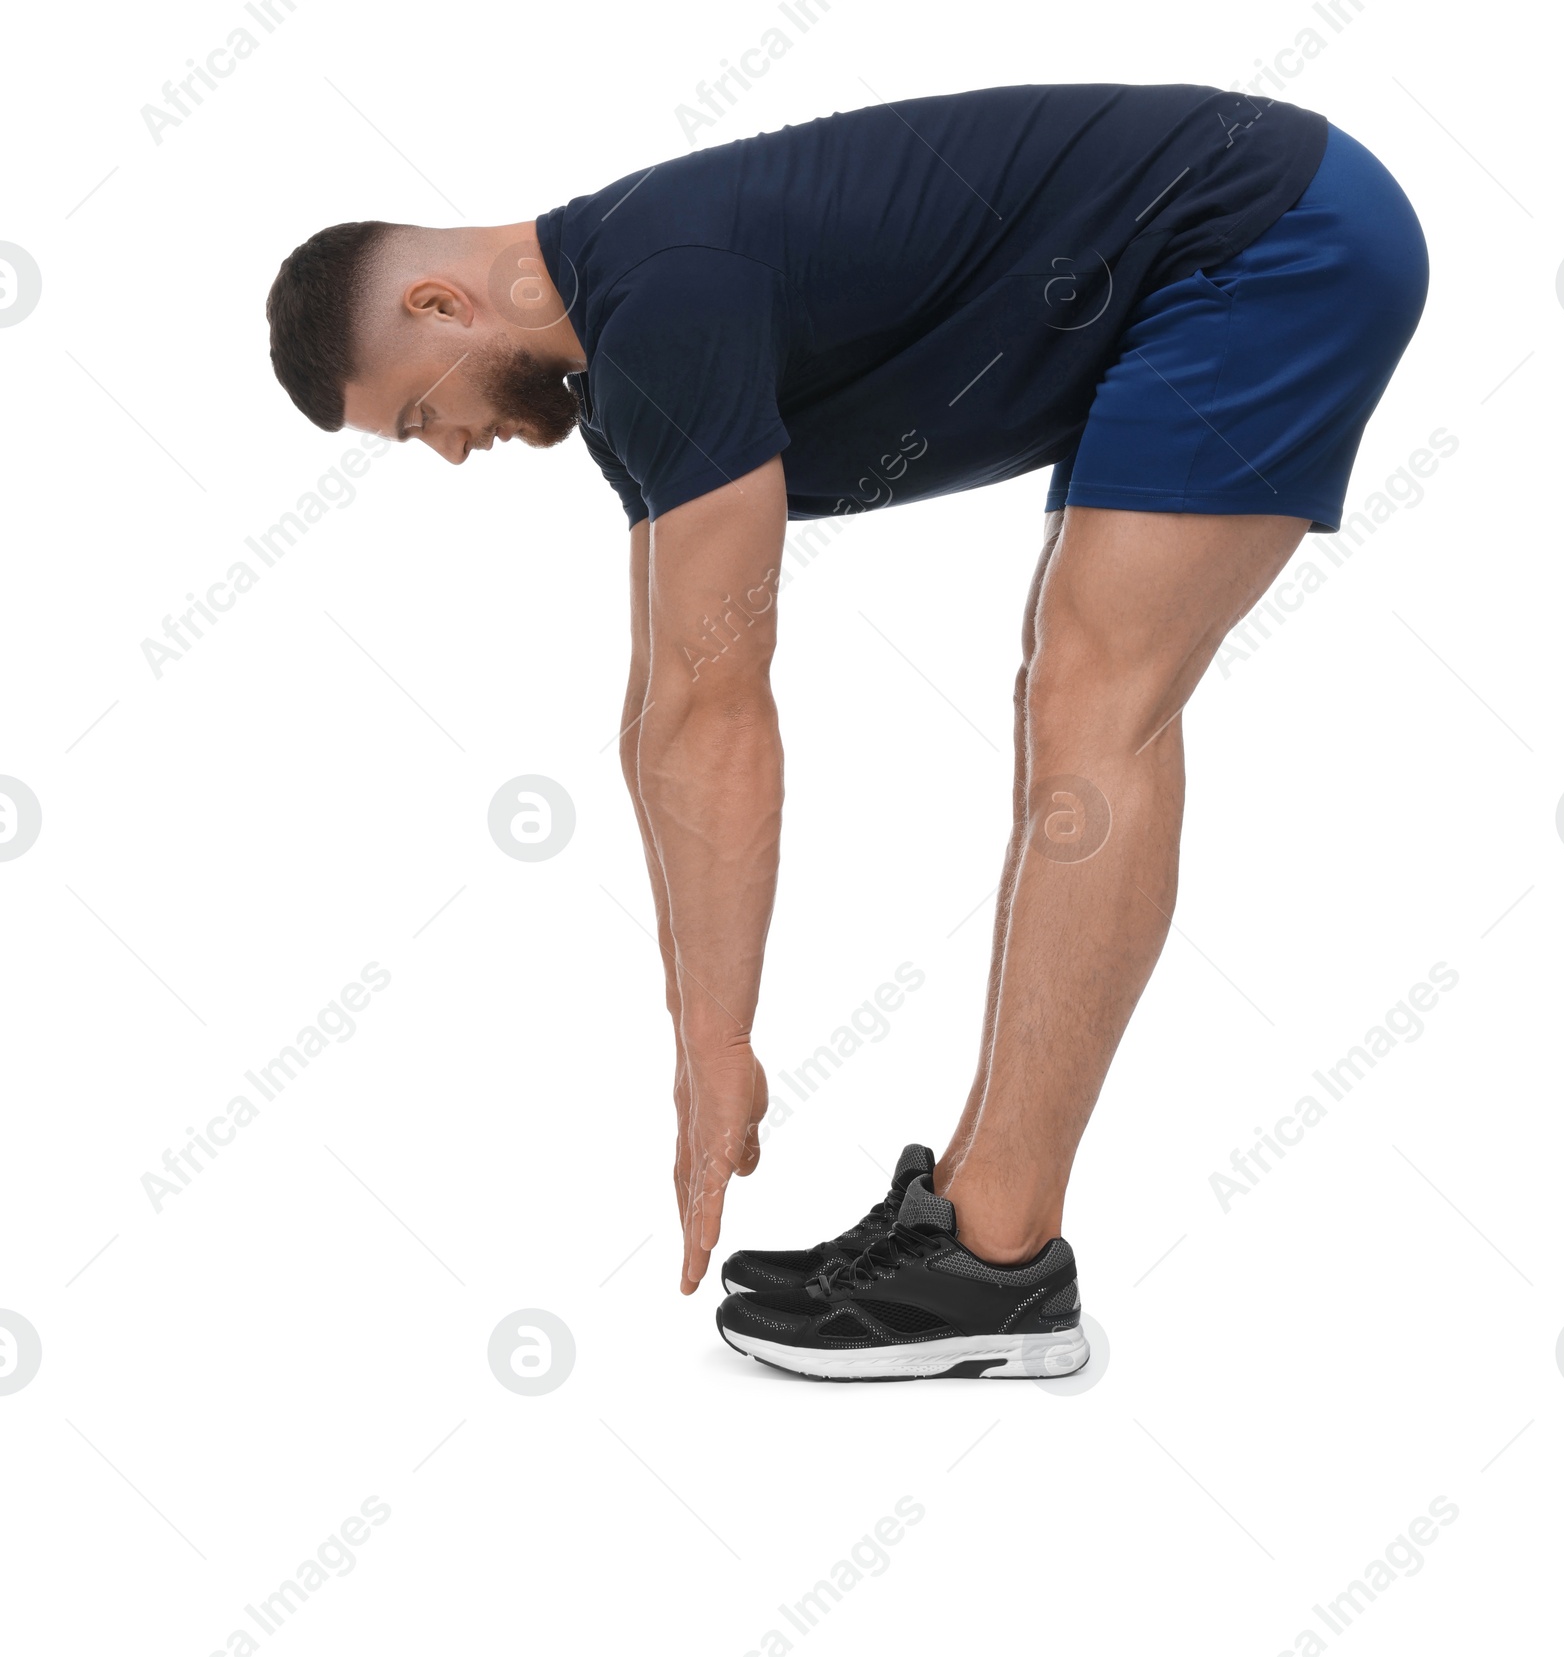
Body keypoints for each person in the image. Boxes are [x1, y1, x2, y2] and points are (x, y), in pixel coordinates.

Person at [265, 84, 1427, 1381]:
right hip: (1224, 246)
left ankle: (997, 1256)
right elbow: (662, 711)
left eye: (420, 413)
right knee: (1070, 683)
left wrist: (716, 1054)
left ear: (438, 306)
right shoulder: (629, 346)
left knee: (1097, 694)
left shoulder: (666, 296)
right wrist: (702, 1035)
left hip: (1271, 236)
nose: (449, 450)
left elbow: (718, 713)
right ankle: (980, 1209)